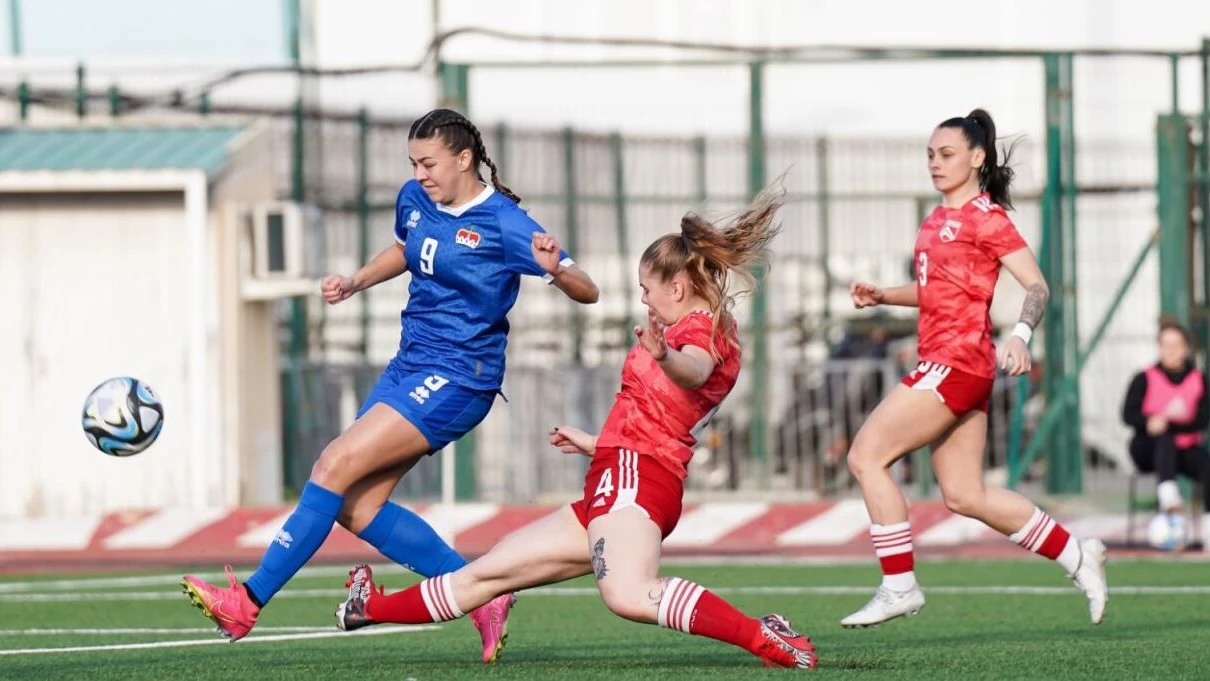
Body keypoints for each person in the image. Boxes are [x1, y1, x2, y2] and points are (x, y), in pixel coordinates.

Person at [330, 185, 817, 670]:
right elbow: (658, 410)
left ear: (678, 287)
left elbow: (695, 369)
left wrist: (666, 356)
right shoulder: (694, 327)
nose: (645, 301)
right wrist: (596, 442)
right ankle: (367, 606)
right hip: (618, 474)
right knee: (486, 576)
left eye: (647, 290)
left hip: (636, 476)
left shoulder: (694, 333)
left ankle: (763, 636)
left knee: (628, 593)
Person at [181, 108, 600, 664]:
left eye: (429, 163)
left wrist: (558, 268)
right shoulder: (416, 198)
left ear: (464, 158)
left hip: (459, 377)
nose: (420, 173)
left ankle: (247, 601)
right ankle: (481, 598)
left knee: (332, 464)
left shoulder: (505, 223)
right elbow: (407, 249)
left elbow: (588, 289)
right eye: (413, 163)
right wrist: (355, 280)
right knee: (355, 504)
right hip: (409, 364)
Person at [842, 108, 1108, 628]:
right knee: (965, 494)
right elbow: (936, 293)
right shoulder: (937, 218)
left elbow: (1037, 285)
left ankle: (899, 586)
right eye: (930, 156)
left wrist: (1020, 336)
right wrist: (883, 296)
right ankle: (1079, 556)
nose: (935, 164)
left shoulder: (988, 218)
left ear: (976, 157)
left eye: (946, 155)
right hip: (954, 366)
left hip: (954, 363)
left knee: (865, 457)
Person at [1121, 320, 1210, 544]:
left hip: (1184, 449)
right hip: (1147, 448)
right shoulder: (1144, 378)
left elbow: (1202, 420)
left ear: (1186, 348)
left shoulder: (1198, 380)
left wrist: (1168, 423)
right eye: (1165, 346)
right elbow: (1128, 414)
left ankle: (1208, 525)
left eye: (1176, 345)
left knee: (1206, 463)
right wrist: (1148, 422)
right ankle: (1169, 498)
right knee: (1164, 440)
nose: (1170, 351)